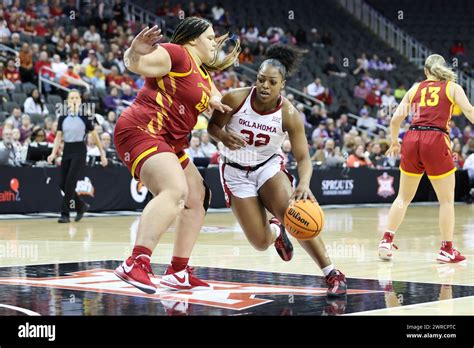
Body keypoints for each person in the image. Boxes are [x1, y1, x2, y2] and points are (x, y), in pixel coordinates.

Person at [208, 44, 347, 297]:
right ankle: (276, 232)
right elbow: (212, 128)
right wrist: (222, 138)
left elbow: (304, 157)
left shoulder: (290, 114)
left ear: (282, 84)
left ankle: (332, 273)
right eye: (261, 79)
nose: (264, 86)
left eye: (272, 82)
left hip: (267, 166)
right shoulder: (234, 98)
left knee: (295, 216)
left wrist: (304, 184)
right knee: (260, 242)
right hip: (235, 171)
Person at [113, 18, 240, 294]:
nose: (213, 43)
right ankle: (136, 262)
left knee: (198, 197)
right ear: (193, 39)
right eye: (209, 37)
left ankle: (178, 271)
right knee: (174, 189)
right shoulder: (177, 54)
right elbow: (136, 63)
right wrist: (135, 50)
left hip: (169, 142)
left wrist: (218, 104)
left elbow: (213, 95)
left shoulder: (204, 75)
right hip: (140, 130)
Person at [379, 54, 474, 263]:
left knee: (403, 197)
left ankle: (386, 240)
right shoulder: (452, 87)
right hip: (436, 137)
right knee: (447, 200)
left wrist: (394, 142)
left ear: (425, 71)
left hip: (412, 138)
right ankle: (446, 249)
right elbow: (469, 112)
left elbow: (395, 119)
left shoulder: (415, 88)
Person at [47, 90, 108, 223]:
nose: (74, 100)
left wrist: (102, 153)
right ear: (68, 102)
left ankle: (65, 213)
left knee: (69, 182)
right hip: (67, 150)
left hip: (80, 150)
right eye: (71, 98)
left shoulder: (85, 116)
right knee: (62, 183)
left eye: (76, 98)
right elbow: (58, 137)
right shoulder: (62, 117)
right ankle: (80, 205)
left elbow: (95, 137)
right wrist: (53, 153)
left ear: (80, 101)